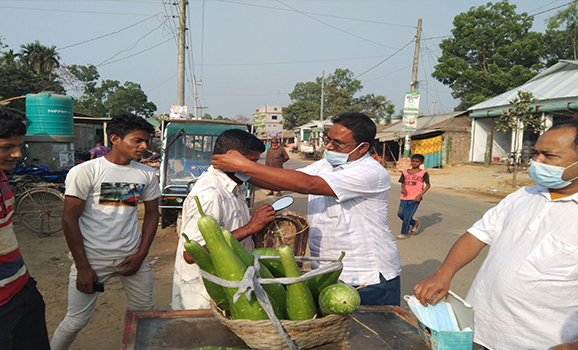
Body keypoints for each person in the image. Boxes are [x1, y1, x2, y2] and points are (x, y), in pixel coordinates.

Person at [413, 119, 578, 350]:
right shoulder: (523, 195)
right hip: (478, 331)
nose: (536, 161)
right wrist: (443, 273)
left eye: (548, 156)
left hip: (539, 343)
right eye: (535, 153)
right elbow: (477, 236)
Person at [211, 112, 401, 305]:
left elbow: (308, 184)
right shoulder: (327, 164)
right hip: (327, 270)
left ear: (363, 147)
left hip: (364, 275)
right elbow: (282, 182)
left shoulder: (370, 172)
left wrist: (244, 165)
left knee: (370, 331)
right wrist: (234, 170)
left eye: (338, 143)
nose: (329, 146)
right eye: (328, 140)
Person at [51, 114, 161, 349]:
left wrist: (141, 255)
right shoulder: (86, 172)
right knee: (76, 321)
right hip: (92, 260)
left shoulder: (146, 174)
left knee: (146, 317)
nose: (144, 147)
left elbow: (153, 214)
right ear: (115, 139)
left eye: (147, 141)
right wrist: (82, 267)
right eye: (138, 141)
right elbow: (69, 219)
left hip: (132, 257)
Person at [172, 129, 276, 310]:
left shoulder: (234, 182)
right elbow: (191, 254)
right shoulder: (210, 195)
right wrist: (250, 227)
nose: (253, 168)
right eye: (252, 162)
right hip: (206, 295)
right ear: (231, 157)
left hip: (230, 282)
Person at [0, 108, 50, 350]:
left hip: (23, 291)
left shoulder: (0, 178)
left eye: (20, 145)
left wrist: (25, 278)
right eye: (6, 147)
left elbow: (3, 235)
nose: (17, 153)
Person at [396, 154, 430, 240]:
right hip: (405, 196)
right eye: (413, 161)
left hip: (415, 198)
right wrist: (403, 188)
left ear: (422, 162)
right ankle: (415, 223)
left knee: (407, 215)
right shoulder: (405, 172)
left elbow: (428, 185)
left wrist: (420, 195)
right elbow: (403, 182)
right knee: (400, 214)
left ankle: (404, 233)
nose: (414, 163)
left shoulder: (423, 173)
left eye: (417, 161)